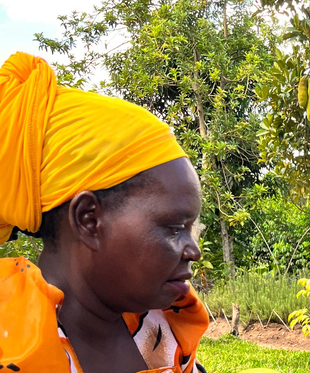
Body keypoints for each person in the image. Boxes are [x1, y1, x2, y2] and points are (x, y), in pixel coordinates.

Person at [0, 52, 209, 373]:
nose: (194, 251)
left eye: (190, 228)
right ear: (89, 220)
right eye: (173, 228)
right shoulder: (15, 348)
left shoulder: (165, 326)